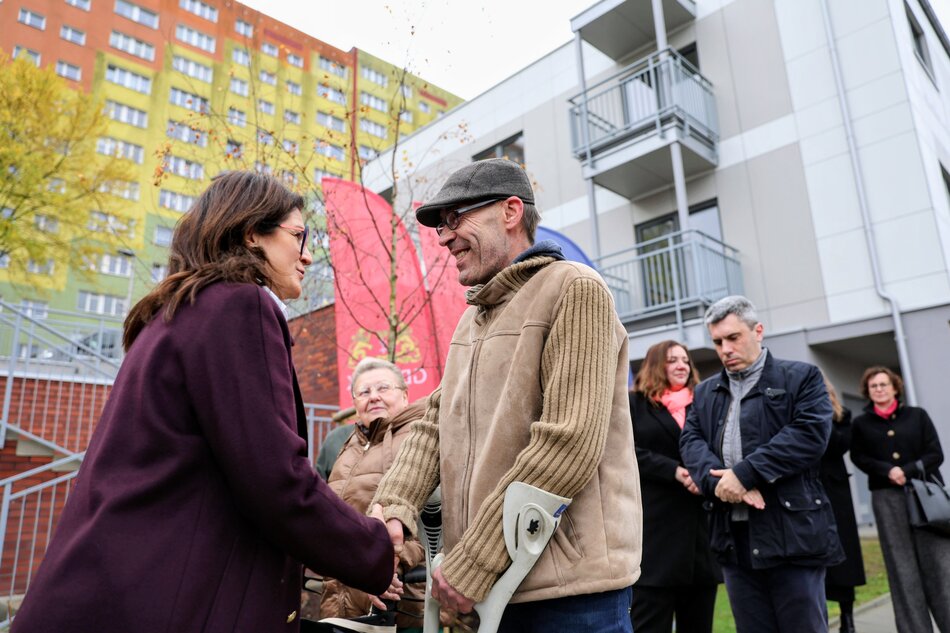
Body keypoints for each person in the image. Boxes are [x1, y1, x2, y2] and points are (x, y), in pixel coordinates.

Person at [12, 171, 396, 632]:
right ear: (253, 232)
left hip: (114, 592)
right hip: (162, 602)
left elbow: (229, 481)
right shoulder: (240, 307)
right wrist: (375, 550)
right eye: (299, 235)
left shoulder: (175, 314)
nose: (309, 255)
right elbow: (276, 480)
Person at [370, 158, 642, 632]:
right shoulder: (471, 321)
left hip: (568, 593)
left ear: (511, 211)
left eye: (455, 218)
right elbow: (434, 425)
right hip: (491, 588)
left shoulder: (575, 288)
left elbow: (568, 442)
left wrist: (473, 561)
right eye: (439, 225)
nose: (443, 236)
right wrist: (393, 509)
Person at [679, 295, 843, 633]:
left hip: (792, 534)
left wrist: (745, 474)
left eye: (733, 337)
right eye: (717, 342)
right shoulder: (705, 392)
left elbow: (810, 435)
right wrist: (724, 486)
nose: (725, 349)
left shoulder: (801, 378)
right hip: (733, 538)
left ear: (758, 331)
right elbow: (691, 442)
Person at [319, 357, 427, 632]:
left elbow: (433, 528)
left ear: (405, 395)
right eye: (364, 392)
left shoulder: (421, 441)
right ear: (354, 402)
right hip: (338, 606)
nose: (374, 397)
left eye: (383, 388)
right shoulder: (345, 447)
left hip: (400, 606)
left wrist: (386, 564)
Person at [850, 366, 950, 633]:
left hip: (924, 496)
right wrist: (887, 471)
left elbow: (935, 453)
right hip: (886, 500)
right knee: (901, 568)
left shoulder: (917, 416)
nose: (880, 389)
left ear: (895, 387)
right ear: (867, 392)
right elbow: (859, 457)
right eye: (874, 386)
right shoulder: (861, 424)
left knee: (940, 566)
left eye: (884, 384)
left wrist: (906, 470)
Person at [629, 340, 719, 633]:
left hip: (700, 535)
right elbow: (627, 451)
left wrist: (704, 473)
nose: (682, 365)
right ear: (656, 364)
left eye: (685, 360)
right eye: (672, 360)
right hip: (658, 536)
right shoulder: (636, 404)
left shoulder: (703, 404)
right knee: (650, 623)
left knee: (699, 623)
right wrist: (674, 471)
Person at [818, 377, 865, 633]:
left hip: (837, 494)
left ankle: (848, 619)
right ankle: (819, 617)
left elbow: (837, 446)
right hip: (810, 490)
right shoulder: (799, 414)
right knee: (818, 555)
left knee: (845, 554)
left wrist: (821, 414)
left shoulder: (841, 416)